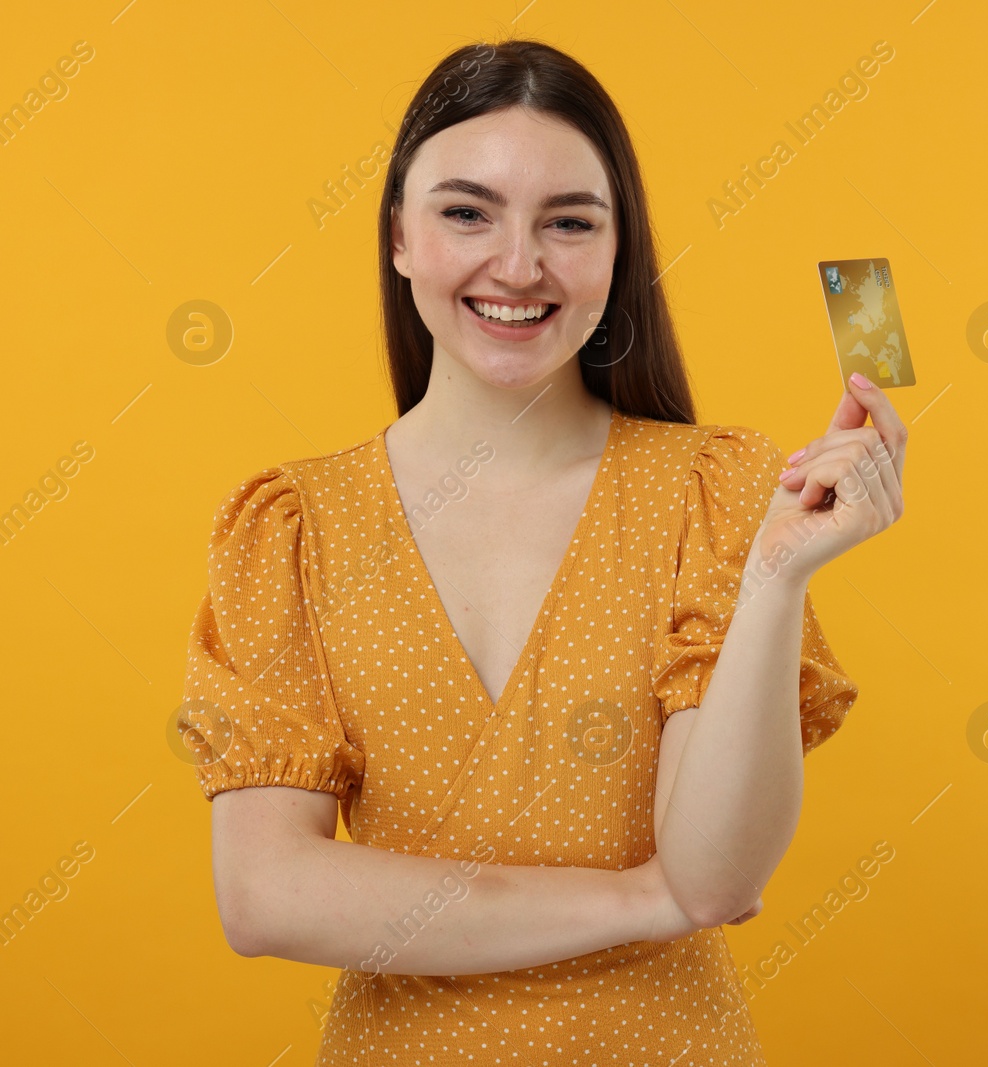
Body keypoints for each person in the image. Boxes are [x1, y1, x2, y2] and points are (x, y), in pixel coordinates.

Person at [175, 37, 908, 1065]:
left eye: (569, 222)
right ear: (397, 236)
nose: (518, 266)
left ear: (618, 251)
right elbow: (265, 893)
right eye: (466, 212)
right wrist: (637, 898)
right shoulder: (292, 523)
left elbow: (716, 869)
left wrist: (777, 577)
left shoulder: (717, 489)